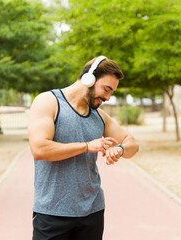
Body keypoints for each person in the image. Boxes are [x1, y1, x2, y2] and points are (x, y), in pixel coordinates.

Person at [28, 56, 139, 240]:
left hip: (92, 213)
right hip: (52, 213)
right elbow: (40, 149)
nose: (107, 97)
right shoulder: (48, 102)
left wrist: (120, 149)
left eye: (111, 92)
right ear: (89, 78)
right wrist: (87, 146)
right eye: (106, 89)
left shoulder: (99, 116)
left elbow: (132, 143)